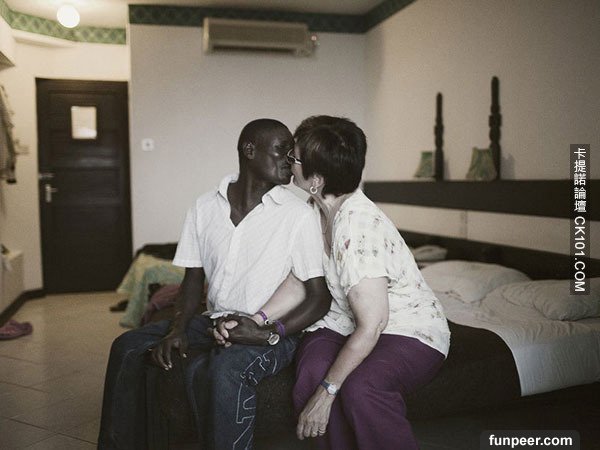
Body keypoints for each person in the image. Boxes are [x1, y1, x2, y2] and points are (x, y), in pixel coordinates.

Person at [98, 118, 331, 450]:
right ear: (249, 150)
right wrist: (178, 329)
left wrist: (266, 331)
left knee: (224, 370)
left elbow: (319, 298)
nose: (291, 160)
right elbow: (193, 279)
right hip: (212, 321)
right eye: (282, 150)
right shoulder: (204, 207)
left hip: (269, 328)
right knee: (126, 346)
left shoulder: (297, 214)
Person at [289, 116, 450, 450]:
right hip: (342, 320)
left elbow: (373, 324)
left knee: (361, 388)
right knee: (312, 373)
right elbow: (297, 279)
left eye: (296, 158)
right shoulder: (313, 208)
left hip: (404, 329)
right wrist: (259, 319)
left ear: (316, 180)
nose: (290, 162)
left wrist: (328, 392)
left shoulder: (358, 227)